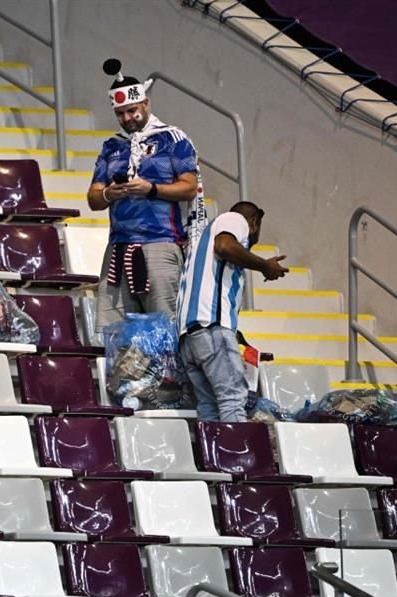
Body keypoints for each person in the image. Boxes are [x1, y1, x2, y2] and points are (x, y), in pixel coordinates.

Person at [87, 58, 206, 336]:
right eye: (120, 114)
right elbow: (93, 198)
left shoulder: (172, 138)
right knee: (116, 334)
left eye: (132, 111)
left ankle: (171, 381)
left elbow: (189, 187)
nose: (127, 118)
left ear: (146, 104)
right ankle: (125, 381)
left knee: (164, 329)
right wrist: (108, 193)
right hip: (118, 248)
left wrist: (151, 189)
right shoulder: (112, 146)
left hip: (159, 245)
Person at [175, 201, 289, 421]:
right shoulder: (234, 220)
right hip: (211, 328)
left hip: (188, 338)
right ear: (254, 221)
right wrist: (264, 265)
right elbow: (225, 246)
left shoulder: (201, 242)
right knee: (233, 399)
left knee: (210, 407)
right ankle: (237, 456)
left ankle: (215, 455)